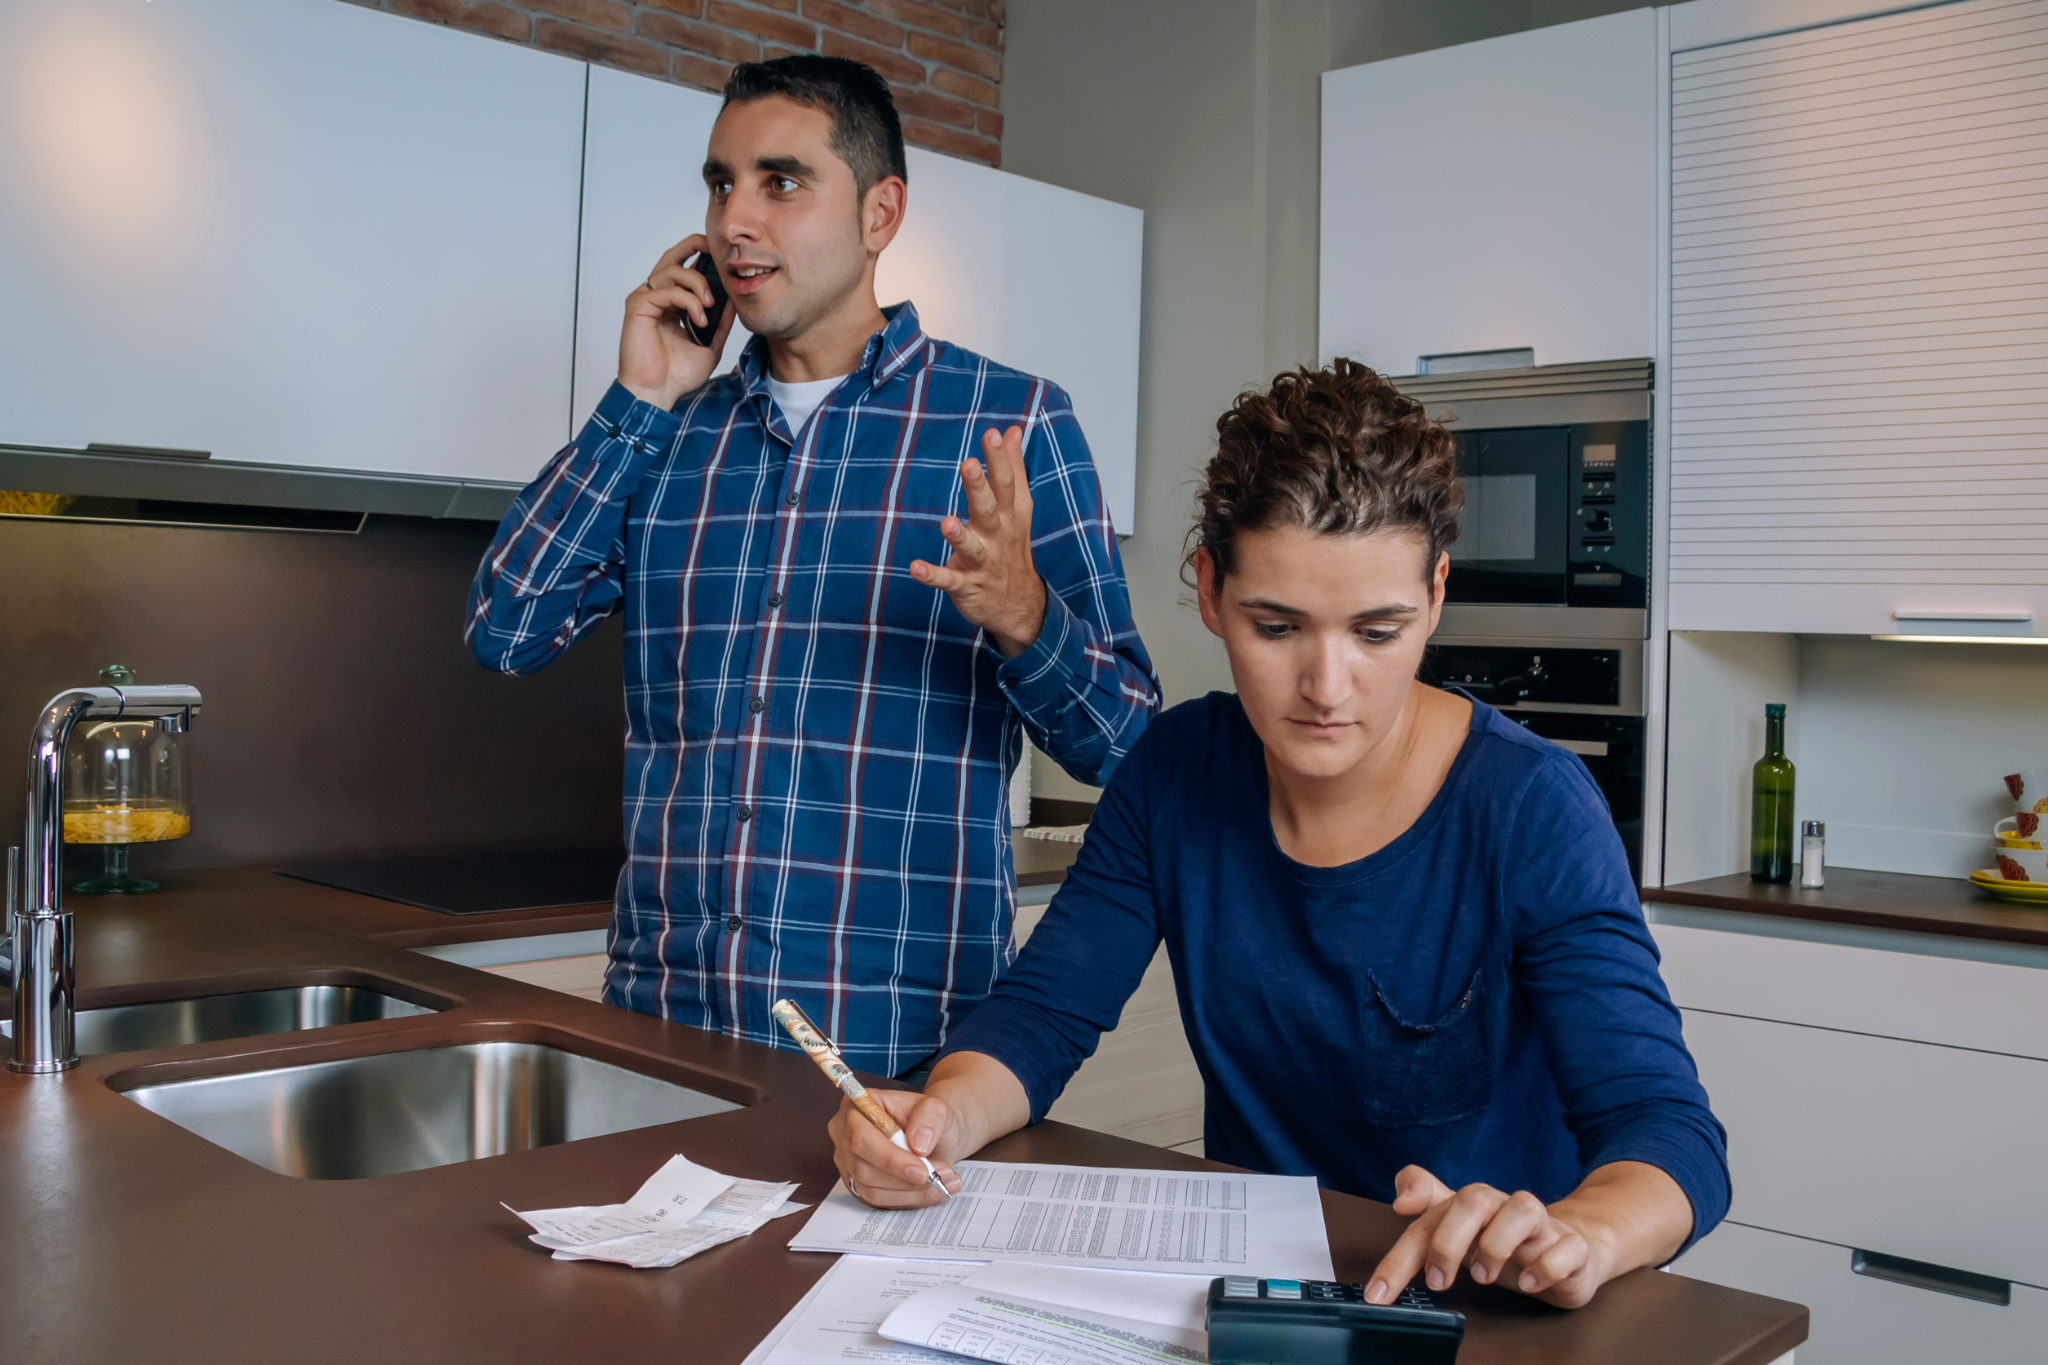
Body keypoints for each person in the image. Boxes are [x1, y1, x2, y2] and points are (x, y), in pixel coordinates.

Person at [825, 360, 1728, 1309]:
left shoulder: (1534, 808)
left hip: (1487, 1313)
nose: (1327, 687)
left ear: (1435, 596)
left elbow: (1666, 1132)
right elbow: (1041, 1018)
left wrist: (1581, 1232)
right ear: (1210, 589)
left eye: (1378, 633)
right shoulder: (1173, 774)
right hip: (1265, 1305)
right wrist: (934, 1119)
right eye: (1277, 626)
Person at [466, 56, 1158, 1079]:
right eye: (719, 183)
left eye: (779, 183)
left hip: (901, 1057)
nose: (733, 220)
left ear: (881, 213)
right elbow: (505, 631)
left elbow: (1130, 745)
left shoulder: (1011, 424)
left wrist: (1024, 619)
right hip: (664, 1038)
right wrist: (635, 401)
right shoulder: (668, 436)